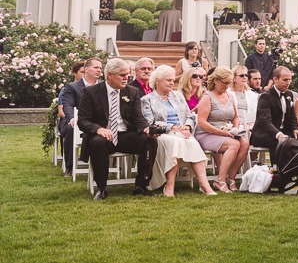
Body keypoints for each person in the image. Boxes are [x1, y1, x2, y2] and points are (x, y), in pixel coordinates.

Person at [76, 58, 158, 200]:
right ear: (110, 75)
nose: (127, 78)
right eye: (122, 75)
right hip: (103, 136)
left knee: (149, 141)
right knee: (98, 143)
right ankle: (101, 188)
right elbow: (83, 121)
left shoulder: (132, 92)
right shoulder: (91, 92)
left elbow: (138, 117)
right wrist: (98, 129)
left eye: (128, 74)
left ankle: (141, 185)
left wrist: (146, 128)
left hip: (125, 135)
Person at [140, 65, 217, 196]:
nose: (172, 83)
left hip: (182, 132)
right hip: (162, 133)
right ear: (157, 81)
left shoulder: (178, 96)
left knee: (192, 143)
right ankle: (170, 186)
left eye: (172, 80)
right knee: (175, 142)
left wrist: (187, 126)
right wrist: (172, 127)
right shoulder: (147, 100)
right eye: (168, 80)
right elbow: (150, 122)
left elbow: (190, 115)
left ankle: (204, 185)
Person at [194, 67, 250, 193]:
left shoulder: (229, 96)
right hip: (206, 133)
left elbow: (235, 117)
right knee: (234, 144)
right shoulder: (207, 97)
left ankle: (231, 178)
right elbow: (202, 122)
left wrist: (235, 128)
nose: (227, 86)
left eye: (229, 83)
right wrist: (223, 133)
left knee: (245, 143)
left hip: (227, 131)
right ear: (216, 81)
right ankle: (220, 181)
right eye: (225, 83)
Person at [251, 66, 298, 157]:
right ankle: (277, 169)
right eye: (285, 80)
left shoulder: (289, 94)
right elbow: (265, 121)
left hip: (282, 131)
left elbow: (292, 116)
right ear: (275, 79)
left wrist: (295, 129)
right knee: (279, 141)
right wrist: (278, 134)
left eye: (290, 80)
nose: (288, 82)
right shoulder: (265, 97)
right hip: (264, 133)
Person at [59, 58, 100, 175]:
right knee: (71, 129)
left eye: (100, 68)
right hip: (76, 121)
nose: (99, 70)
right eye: (96, 67)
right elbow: (67, 105)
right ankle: (70, 166)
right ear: (86, 69)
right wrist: (72, 118)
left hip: (97, 122)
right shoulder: (72, 87)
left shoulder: (103, 86)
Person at [229, 65, 259, 130]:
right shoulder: (228, 93)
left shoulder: (252, 94)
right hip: (234, 126)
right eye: (242, 75)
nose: (245, 77)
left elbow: (255, 112)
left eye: (246, 75)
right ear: (234, 78)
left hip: (250, 125)